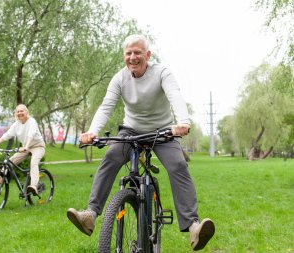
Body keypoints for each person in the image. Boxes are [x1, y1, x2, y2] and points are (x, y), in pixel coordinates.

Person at [67, 34, 215, 251]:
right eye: (128, 53)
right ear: (124, 56)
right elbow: (106, 105)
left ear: (147, 55)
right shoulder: (119, 78)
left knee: (177, 165)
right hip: (131, 131)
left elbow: (175, 95)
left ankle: (193, 226)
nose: (133, 57)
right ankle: (90, 214)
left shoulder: (162, 73)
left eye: (137, 52)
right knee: (110, 157)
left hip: (163, 131)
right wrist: (92, 131)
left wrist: (183, 121)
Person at [0, 104, 45, 195]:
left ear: (26, 112)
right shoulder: (16, 124)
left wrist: (26, 146)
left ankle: (33, 186)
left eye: (22, 111)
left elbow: (30, 135)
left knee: (34, 163)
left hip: (38, 146)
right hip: (25, 147)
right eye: (18, 111)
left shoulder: (32, 121)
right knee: (10, 161)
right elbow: (6, 135)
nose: (19, 113)